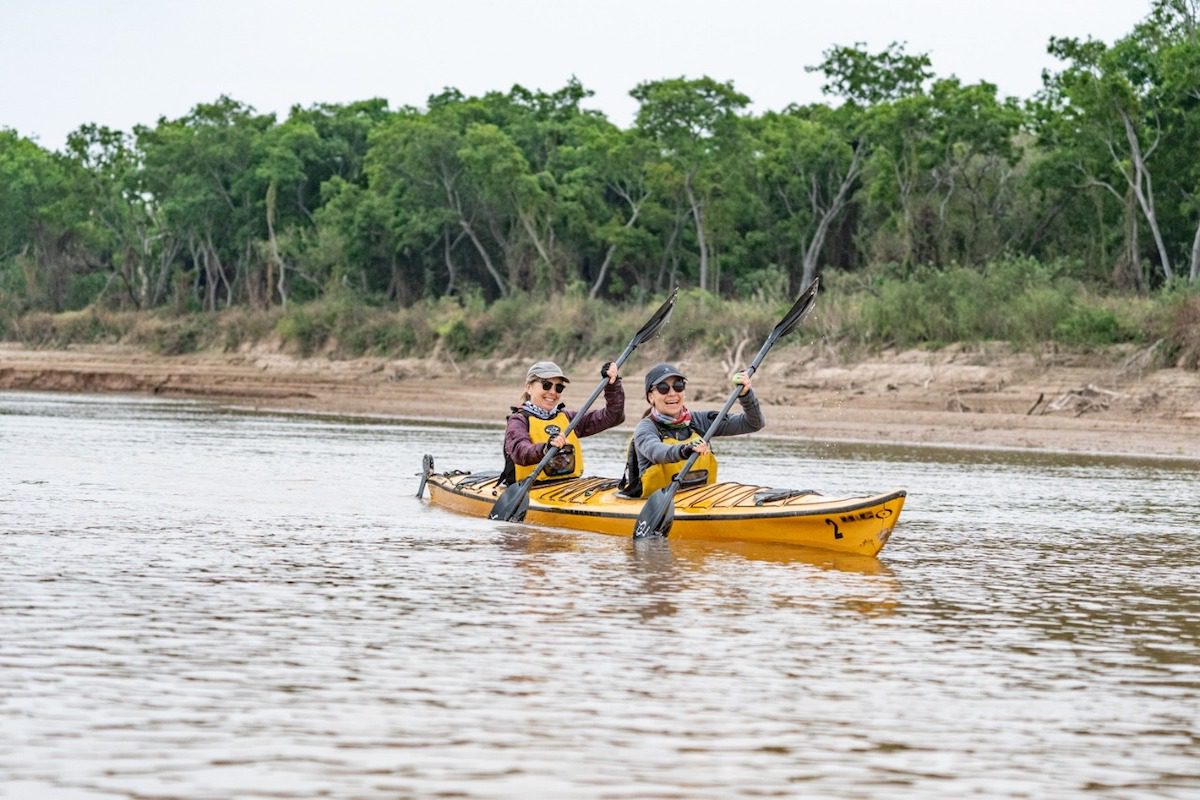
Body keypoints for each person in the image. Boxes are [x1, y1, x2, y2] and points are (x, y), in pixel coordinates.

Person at [619, 362, 764, 497]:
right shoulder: (645, 428)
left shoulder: (700, 421)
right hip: (654, 506)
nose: (672, 393)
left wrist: (746, 395)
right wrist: (685, 450)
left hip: (699, 502)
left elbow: (753, 423)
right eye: (663, 388)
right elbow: (657, 452)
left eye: (678, 385)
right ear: (651, 397)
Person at [501, 359, 624, 485]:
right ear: (529, 387)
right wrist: (545, 448)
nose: (553, 392)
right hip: (529, 488)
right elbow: (520, 452)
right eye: (546, 385)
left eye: (559, 387)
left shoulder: (568, 419)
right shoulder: (518, 420)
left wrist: (612, 385)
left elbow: (614, 416)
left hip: (566, 488)